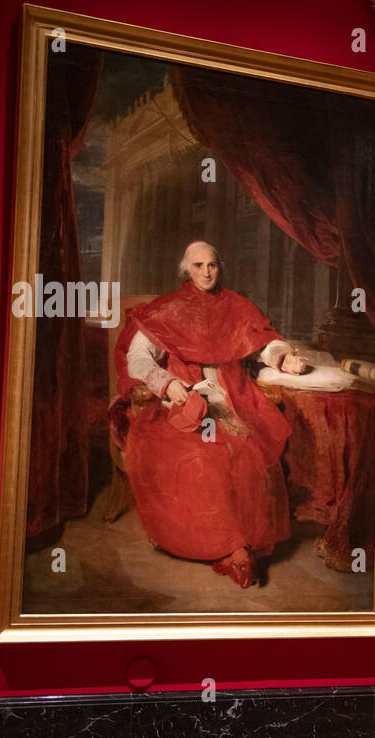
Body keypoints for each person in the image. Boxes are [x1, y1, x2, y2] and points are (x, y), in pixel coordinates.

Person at [114, 240, 309, 588]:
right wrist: (166, 383)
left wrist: (284, 357)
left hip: (233, 399)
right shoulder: (168, 309)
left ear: (220, 268)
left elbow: (263, 344)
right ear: (185, 270)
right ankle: (231, 549)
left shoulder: (236, 306)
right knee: (200, 457)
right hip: (182, 402)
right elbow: (138, 359)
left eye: (212, 265)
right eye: (198, 266)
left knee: (249, 452)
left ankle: (243, 541)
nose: (206, 272)